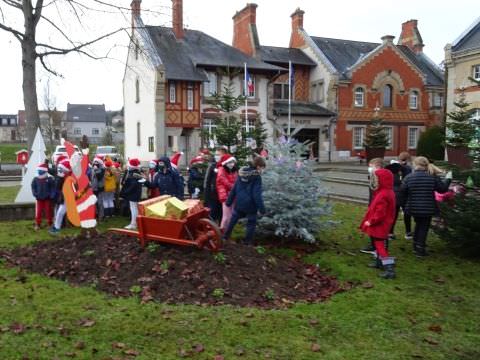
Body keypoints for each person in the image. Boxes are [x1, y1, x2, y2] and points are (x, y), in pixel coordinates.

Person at [401, 156, 452, 257]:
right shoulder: (432, 177)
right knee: (423, 226)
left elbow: (403, 191)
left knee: (418, 224)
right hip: (428, 207)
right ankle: (420, 249)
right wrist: (448, 179)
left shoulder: (409, 177)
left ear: (414, 165)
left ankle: (416, 245)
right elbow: (442, 189)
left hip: (413, 206)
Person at [359, 168, 397, 279]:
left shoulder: (383, 195)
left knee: (380, 247)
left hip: (380, 225)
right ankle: (379, 262)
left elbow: (380, 213)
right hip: (382, 224)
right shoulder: (386, 192)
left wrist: (371, 221)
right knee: (378, 245)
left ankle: (389, 268)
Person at [223, 156, 266, 245]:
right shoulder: (257, 177)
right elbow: (256, 194)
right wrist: (262, 209)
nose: (262, 170)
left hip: (239, 202)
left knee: (233, 219)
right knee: (251, 223)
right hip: (251, 205)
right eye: (262, 167)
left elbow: (234, 188)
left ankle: (225, 236)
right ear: (258, 166)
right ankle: (247, 242)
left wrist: (229, 201)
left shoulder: (242, 173)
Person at [360, 158, 385, 254]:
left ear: (378, 166)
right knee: (372, 225)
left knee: (375, 225)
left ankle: (376, 248)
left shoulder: (381, 177)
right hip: (373, 204)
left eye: (371, 166)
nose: (369, 168)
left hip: (377, 204)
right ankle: (375, 245)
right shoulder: (373, 176)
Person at [385, 154, 413, 241]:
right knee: (407, 214)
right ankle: (408, 232)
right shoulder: (408, 169)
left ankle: (390, 232)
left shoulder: (391, 168)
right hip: (404, 195)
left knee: (394, 214)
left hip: (394, 195)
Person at [204, 147, 227, 222]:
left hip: (223, 196)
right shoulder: (212, 166)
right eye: (216, 154)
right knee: (212, 215)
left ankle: (221, 231)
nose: (217, 156)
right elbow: (207, 181)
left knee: (222, 215)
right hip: (213, 195)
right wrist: (207, 196)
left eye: (219, 154)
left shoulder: (227, 166)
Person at [120, 158, 143, 230]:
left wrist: (126, 191)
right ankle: (135, 222)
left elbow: (132, 185)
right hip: (135, 193)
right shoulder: (136, 172)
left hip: (133, 194)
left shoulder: (133, 173)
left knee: (133, 209)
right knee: (134, 208)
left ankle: (133, 224)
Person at [216, 153, 238, 231]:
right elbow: (224, 181)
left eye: (233, 162)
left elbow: (236, 180)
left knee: (231, 215)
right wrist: (235, 187)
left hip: (233, 195)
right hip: (225, 196)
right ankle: (222, 232)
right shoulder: (221, 170)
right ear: (225, 163)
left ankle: (228, 232)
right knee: (226, 216)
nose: (232, 164)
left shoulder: (233, 171)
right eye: (230, 162)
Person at [49, 159, 72, 234]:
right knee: (60, 212)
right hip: (66, 196)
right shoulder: (62, 176)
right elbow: (58, 186)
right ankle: (56, 227)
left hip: (73, 196)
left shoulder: (72, 175)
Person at [31, 163, 55, 230]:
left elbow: (52, 188)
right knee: (38, 212)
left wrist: (51, 195)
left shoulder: (49, 179)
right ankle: (38, 224)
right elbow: (33, 186)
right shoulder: (35, 179)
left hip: (47, 198)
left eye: (40, 171)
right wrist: (35, 194)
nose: (39, 172)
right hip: (39, 199)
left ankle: (50, 223)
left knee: (48, 211)